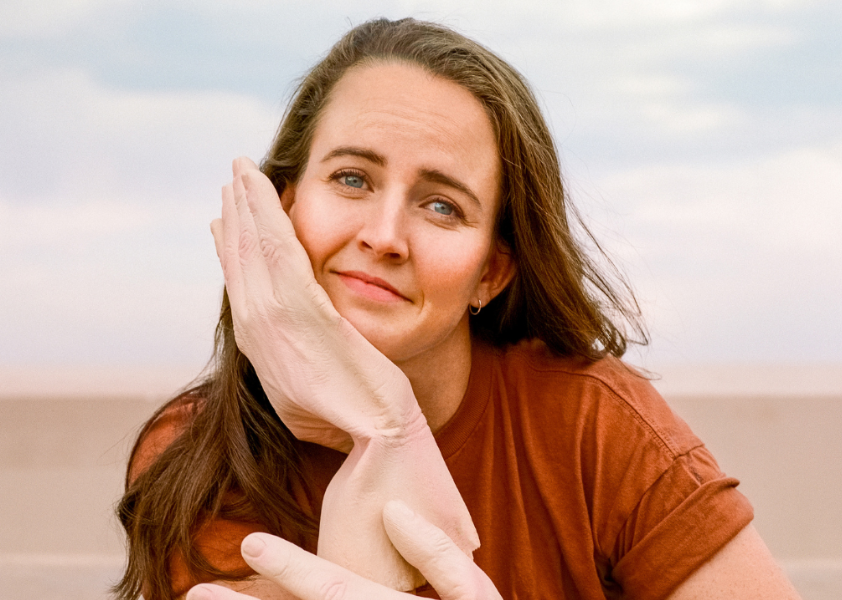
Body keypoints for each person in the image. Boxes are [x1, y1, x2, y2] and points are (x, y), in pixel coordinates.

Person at [115, 17, 801, 600]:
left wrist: (392, 423)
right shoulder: (199, 455)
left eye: (441, 206)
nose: (383, 236)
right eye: (351, 178)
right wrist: (382, 432)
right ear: (282, 205)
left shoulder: (594, 426)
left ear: (491, 272)